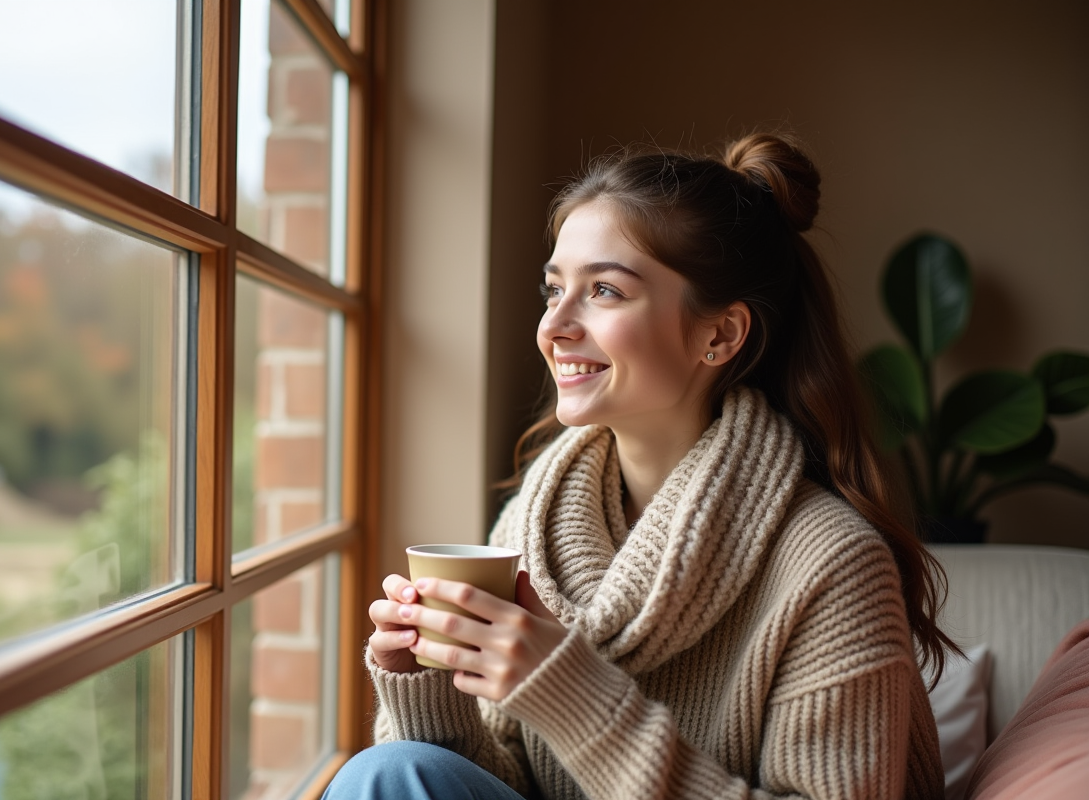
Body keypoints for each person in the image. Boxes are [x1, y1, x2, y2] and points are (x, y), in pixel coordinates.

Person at [325, 132, 954, 799]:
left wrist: (571, 695)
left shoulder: (832, 565)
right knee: (388, 771)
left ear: (720, 335)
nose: (555, 326)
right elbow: (511, 781)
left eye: (604, 292)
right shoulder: (531, 526)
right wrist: (428, 689)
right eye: (553, 290)